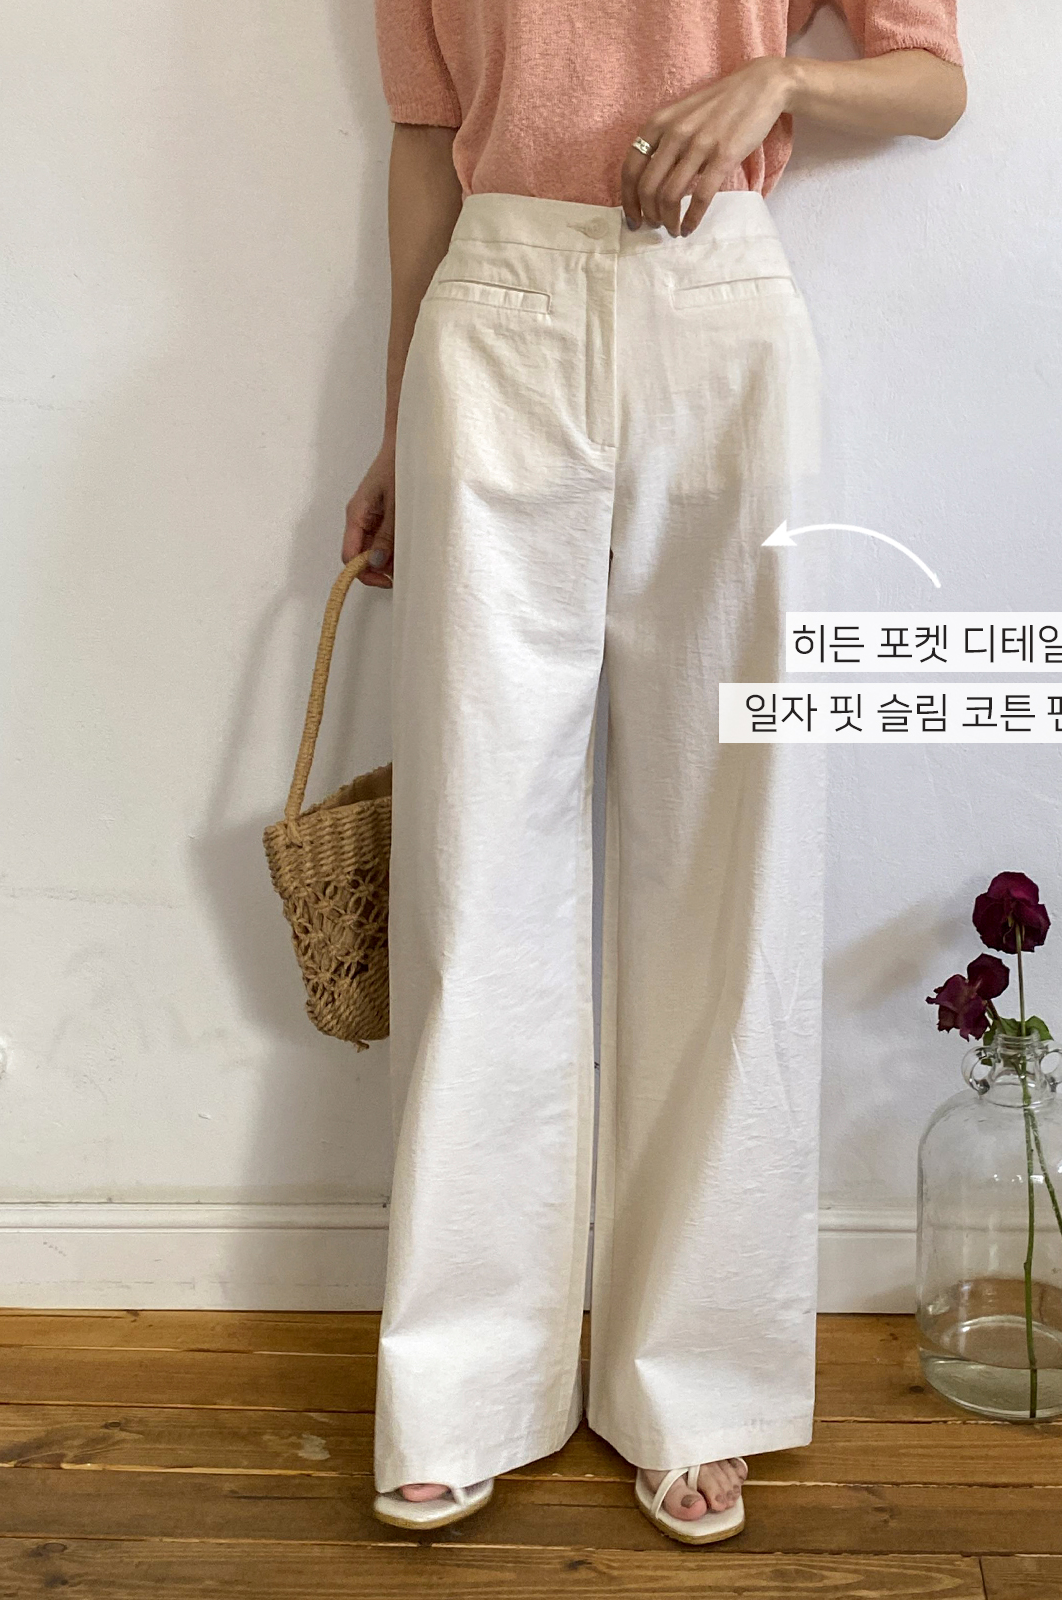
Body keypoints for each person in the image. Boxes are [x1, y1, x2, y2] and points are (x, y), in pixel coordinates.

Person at [344, 0, 965, 1546]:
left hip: (721, 310)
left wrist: (779, 79)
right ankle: (459, 1385)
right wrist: (393, 422)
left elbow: (934, 83)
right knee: (477, 875)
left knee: (731, 864)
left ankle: (697, 1383)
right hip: (494, 312)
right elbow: (424, 138)